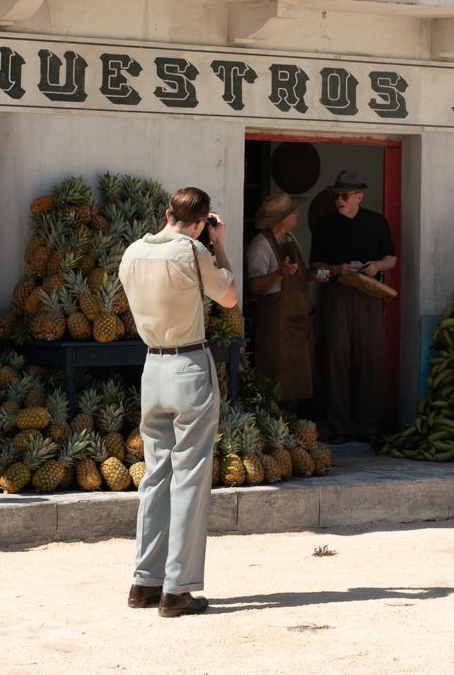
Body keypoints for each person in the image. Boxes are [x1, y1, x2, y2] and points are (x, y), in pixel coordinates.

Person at [118, 186, 238, 618]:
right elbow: (228, 296)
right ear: (202, 222)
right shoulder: (192, 251)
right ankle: (177, 589)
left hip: (152, 366)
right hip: (189, 364)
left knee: (156, 476)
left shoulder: (132, 252)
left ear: (167, 212)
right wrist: (219, 245)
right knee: (189, 477)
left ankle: (143, 581)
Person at [308, 172, 397, 446]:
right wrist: (336, 269)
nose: (339, 201)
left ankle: (368, 426)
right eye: (336, 196)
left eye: (345, 196)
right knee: (335, 358)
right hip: (336, 293)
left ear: (360, 196)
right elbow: (315, 267)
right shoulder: (324, 226)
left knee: (370, 357)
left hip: (368, 294)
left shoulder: (377, 222)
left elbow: (391, 258)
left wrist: (376, 267)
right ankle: (339, 426)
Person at [247, 192, 314, 411]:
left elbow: (300, 273)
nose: (297, 215)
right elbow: (255, 286)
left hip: (297, 322)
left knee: (296, 378)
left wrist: (313, 274)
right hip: (275, 324)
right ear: (283, 219)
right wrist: (280, 274)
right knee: (275, 378)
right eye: (293, 212)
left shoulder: (291, 239)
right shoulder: (261, 245)